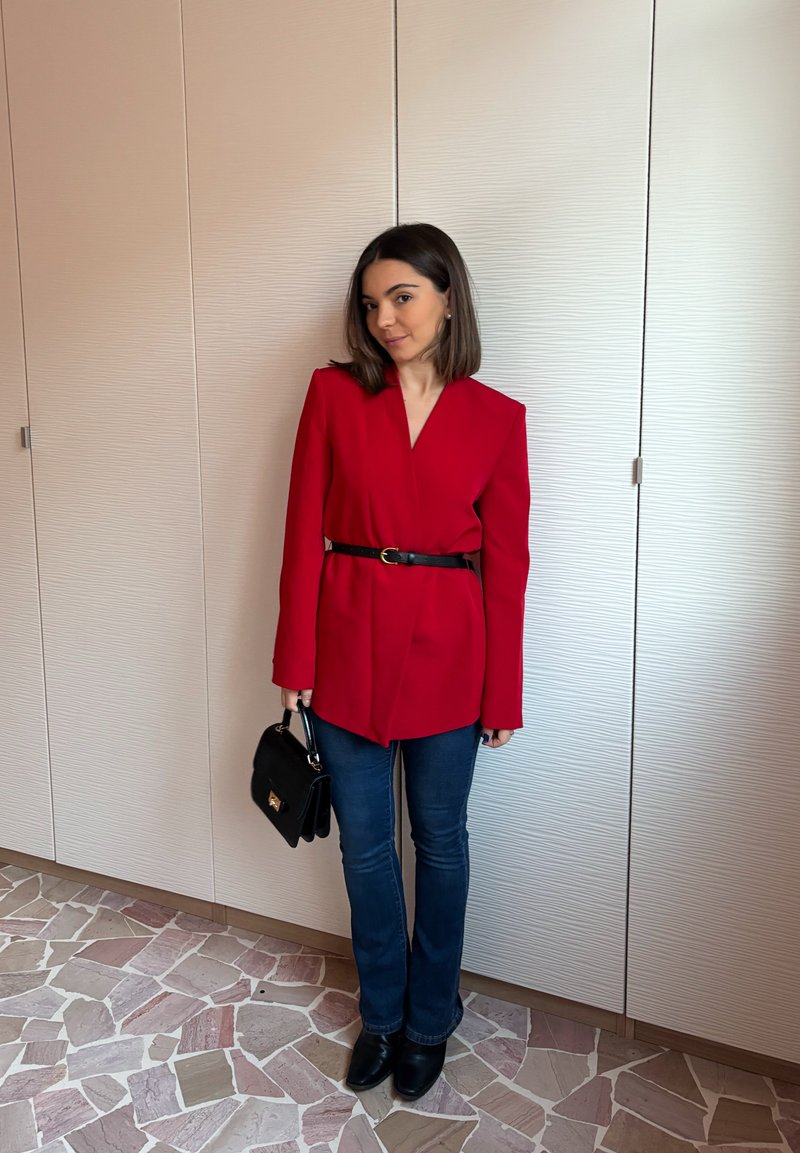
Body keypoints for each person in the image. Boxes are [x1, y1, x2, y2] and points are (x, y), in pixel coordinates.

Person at [272, 222, 530, 1099]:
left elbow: (509, 567)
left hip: (452, 655)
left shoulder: (498, 419)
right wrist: (293, 656)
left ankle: (432, 1019)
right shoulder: (334, 394)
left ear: (447, 295)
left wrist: (505, 692)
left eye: (403, 297)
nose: (384, 318)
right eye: (372, 303)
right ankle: (382, 1014)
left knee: (443, 843)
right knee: (366, 851)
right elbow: (303, 526)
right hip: (344, 641)